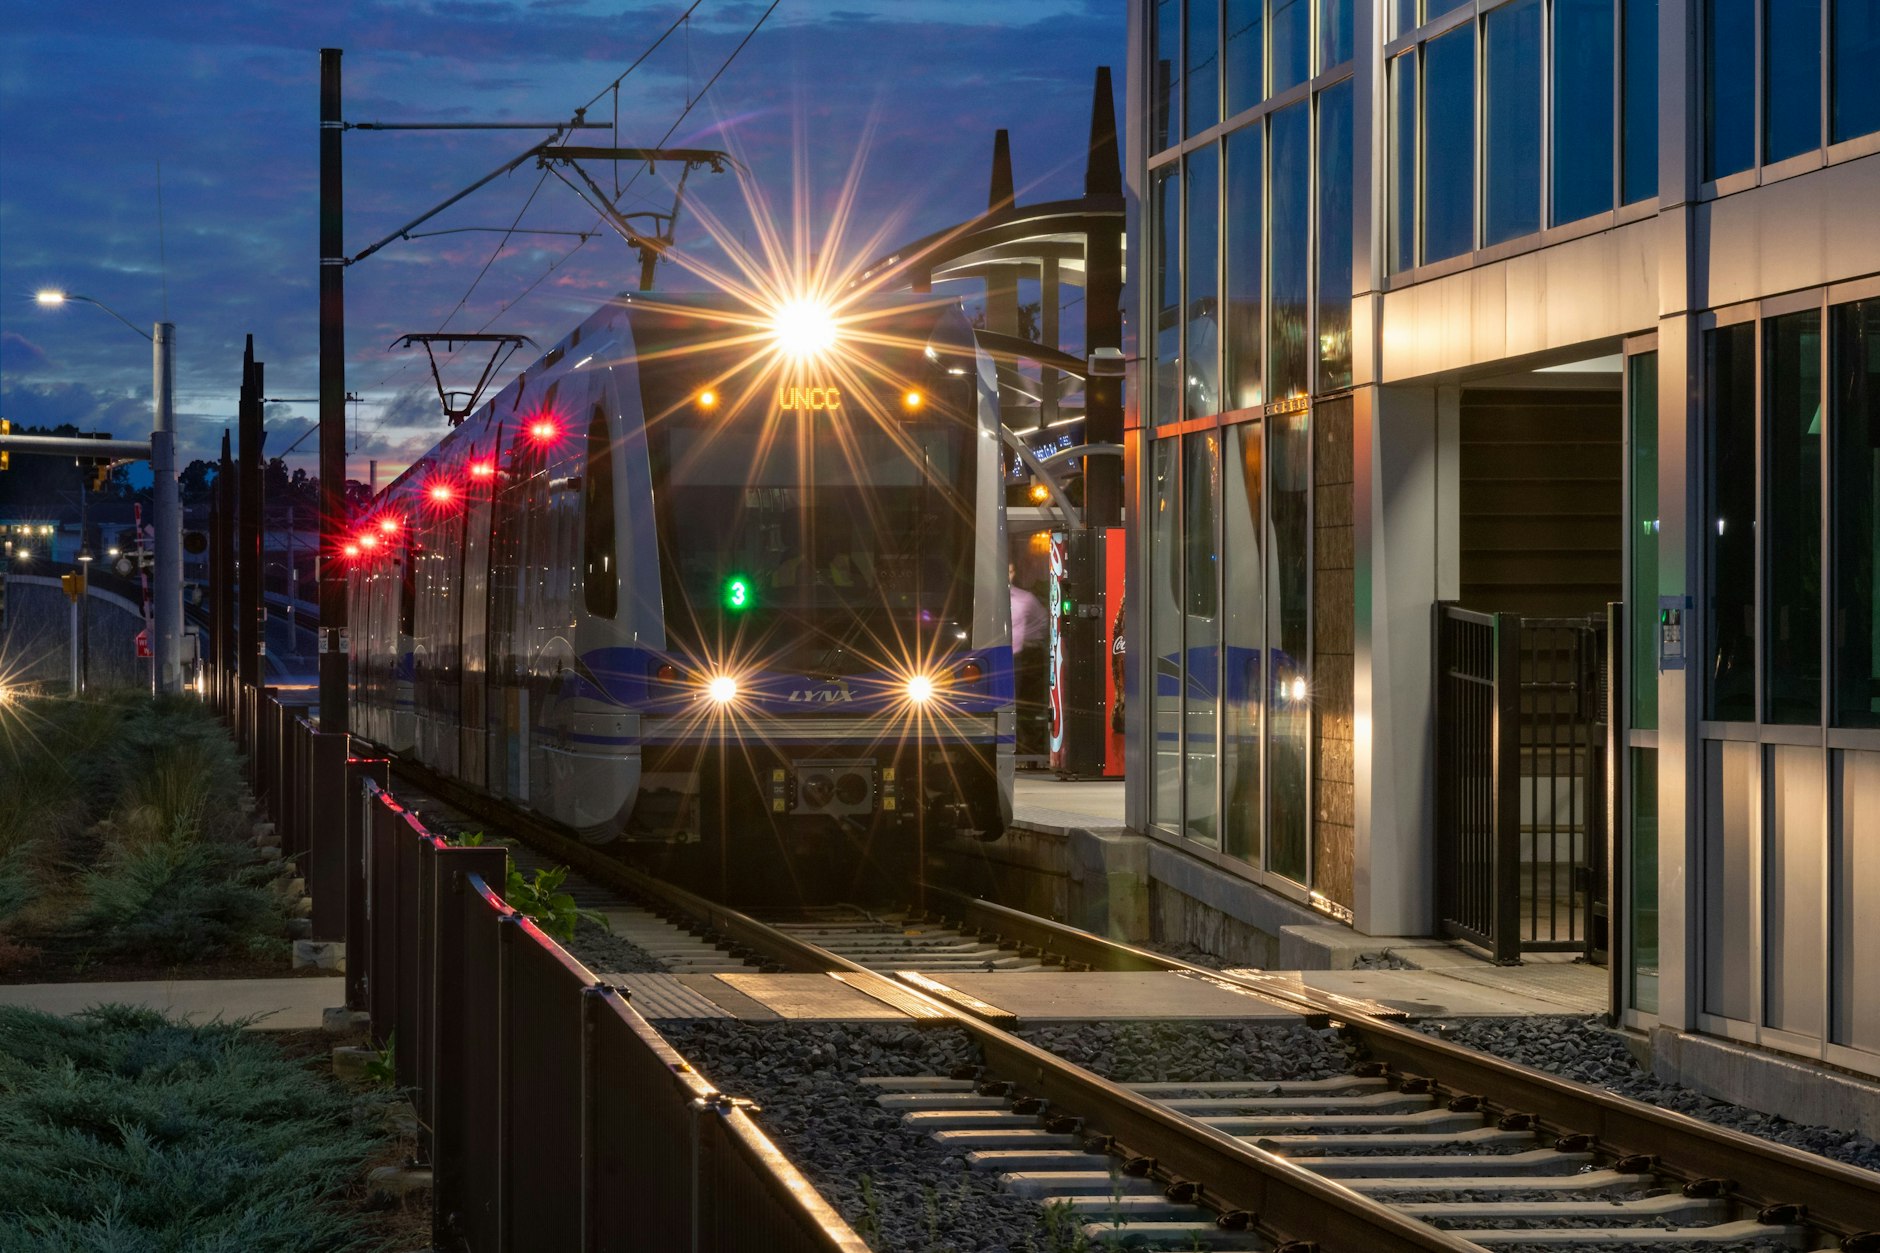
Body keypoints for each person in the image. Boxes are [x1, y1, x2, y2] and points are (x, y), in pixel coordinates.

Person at [1009, 561, 1047, 758]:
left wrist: (1027, 640)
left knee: (1014, 702)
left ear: (1014, 573)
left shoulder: (1025, 599)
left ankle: (1017, 744)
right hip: (990, 656)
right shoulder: (984, 596)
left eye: (1010, 571)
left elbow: (1042, 621)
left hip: (1015, 659)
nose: (1007, 575)